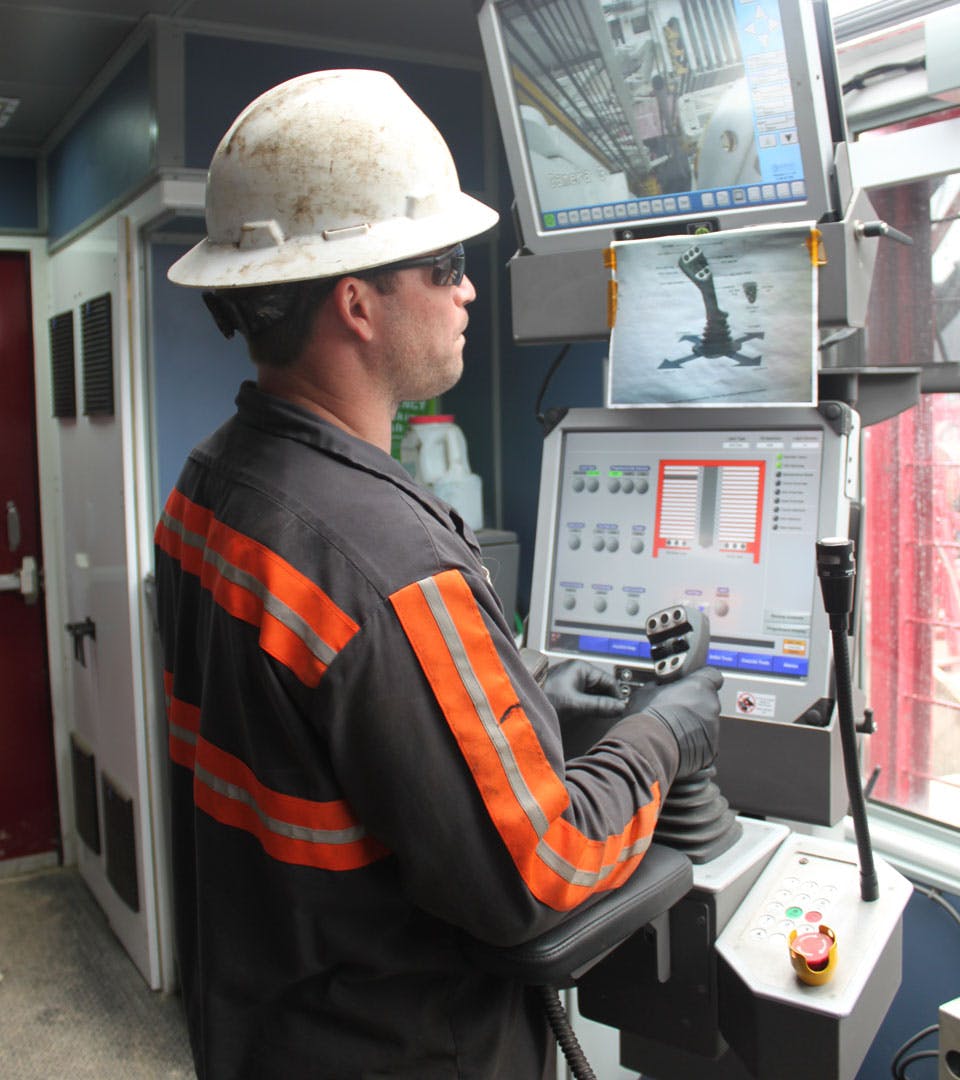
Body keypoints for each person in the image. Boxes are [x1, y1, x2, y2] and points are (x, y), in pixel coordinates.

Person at [154, 69, 723, 1080]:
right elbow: (543, 875)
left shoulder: (208, 488)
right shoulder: (388, 570)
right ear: (358, 302)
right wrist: (663, 735)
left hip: (267, 1033)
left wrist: (531, 697)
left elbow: (330, 753)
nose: (467, 292)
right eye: (447, 265)